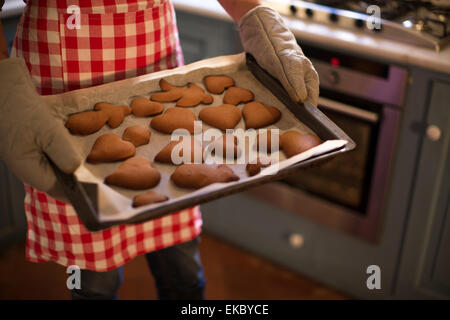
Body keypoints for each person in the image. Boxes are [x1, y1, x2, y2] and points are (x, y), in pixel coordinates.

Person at [0, 0, 318, 300]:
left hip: (158, 68)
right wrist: (5, 87)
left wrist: (255, 17)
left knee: (182, 262)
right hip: (63, 83)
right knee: (96, 276)